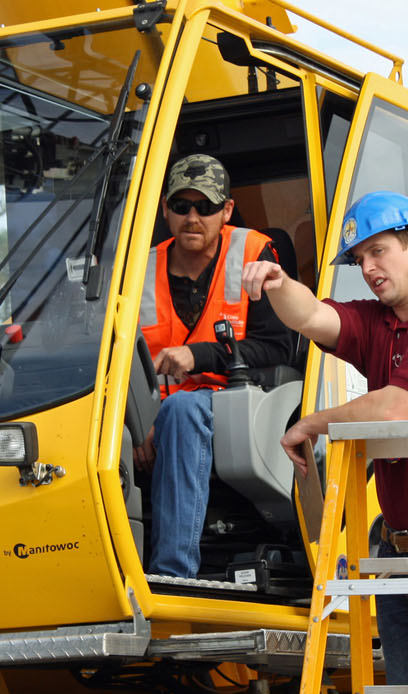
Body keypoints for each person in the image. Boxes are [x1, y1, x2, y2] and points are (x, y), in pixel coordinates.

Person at [240, 190, 408, 685]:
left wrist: (309, 422)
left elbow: (394, 408)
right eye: (360, 260)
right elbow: (309, 316)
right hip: (398, 550)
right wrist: (280, 282)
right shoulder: (379, 323)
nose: (367, 269)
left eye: (377, 251)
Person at [136, 154, 293, 579]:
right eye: (181, 206)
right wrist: (133, 425)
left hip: (242, 404)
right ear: (165, 209)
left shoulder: (256, 252)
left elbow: (277, 348)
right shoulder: (138, 269)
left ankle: (173, 573)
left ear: (226, 210)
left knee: (183, 411)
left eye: (204, 207)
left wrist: (200, 355)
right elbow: (119, 360)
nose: (192, 217)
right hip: (156, 415)